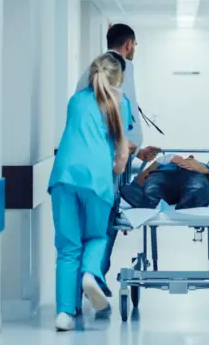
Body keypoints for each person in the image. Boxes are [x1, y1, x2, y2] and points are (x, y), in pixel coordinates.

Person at [49, 53, 132, 331]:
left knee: (67, 246)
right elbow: (121, 155)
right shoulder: (121, 103)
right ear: (118, 78)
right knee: (96, 235)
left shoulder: (76, 100)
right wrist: (117, 171)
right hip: (97, 178)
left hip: (63, 176)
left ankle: (64, 313)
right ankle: (90, 274)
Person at [76, 24, 160, 286]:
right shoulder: (123, 67)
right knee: (105, 223)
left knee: (80, 232)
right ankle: (95, 276)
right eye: (134, 45)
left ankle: (77, 293)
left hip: (79, 164)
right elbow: (127, 111)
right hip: (110, 163)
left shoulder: (91, 70)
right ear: (129, 45)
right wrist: (133, 148)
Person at [120, 154, 209, 209]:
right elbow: (139, 180)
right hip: (162, 176)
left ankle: (189, 205)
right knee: (151, 187)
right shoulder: (163, 165)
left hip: (194, 177)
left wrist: (206, 171)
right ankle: (151, 202)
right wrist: (158, 163)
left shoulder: (202, 167)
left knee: (198, 187)